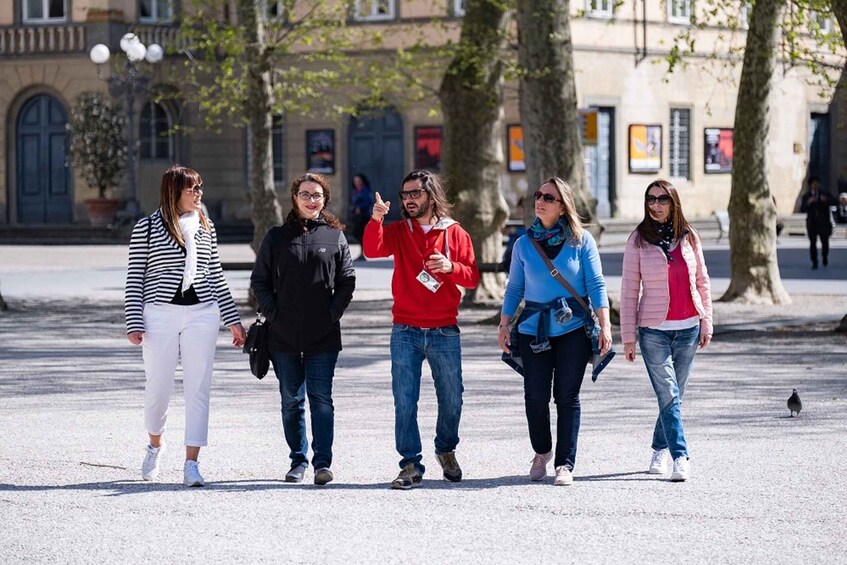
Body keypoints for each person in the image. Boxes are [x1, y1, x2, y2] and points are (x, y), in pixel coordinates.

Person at [125, 165, 246, 487]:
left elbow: (216, 275)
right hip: (159, 315)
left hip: (202, 314)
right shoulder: (147, 228)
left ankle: (191, 463)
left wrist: (232, 319)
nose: (198, 194)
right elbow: (135, 277)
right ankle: (154, 445)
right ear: (173, 191)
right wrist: (133, 321)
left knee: (198, 389)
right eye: (192, 188)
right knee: (158, 388)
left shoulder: (207, 226)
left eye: (200, 188)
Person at [363, 169, 480, 490]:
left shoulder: (456, 233)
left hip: (444, 330)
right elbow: (372, 251)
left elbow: (471, 277)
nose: (409, 200)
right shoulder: (400, 230)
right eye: (405, 195)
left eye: (415, 193)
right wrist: (375, 220)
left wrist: (451, 267)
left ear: (431, 195)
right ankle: (410, 464)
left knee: (452, 398)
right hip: (405, 329)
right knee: (404, 400)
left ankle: (446, 448)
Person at [497, 177, 612, 487]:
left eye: (549, 197)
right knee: (535, 396)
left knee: (567, 396)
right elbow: (515, 288)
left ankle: (564, 463)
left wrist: (605, 324)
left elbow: (596, 285)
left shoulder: (582, 241)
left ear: (563, 207)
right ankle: (542, 451)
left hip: (573, 329)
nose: (541, 201)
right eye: (538, 195)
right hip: (534, 328)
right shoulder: (523, 243)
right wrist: (504, 323)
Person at [251, 173, 356, 486]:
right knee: (291, 400)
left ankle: (322, 463)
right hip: (282, 336)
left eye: (318, 195)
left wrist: (332, 314)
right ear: (294, 198)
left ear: (325, 200)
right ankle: (298, 461)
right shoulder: (276, 237)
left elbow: (347, 281)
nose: (312, 200)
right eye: (306, 194)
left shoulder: (336, 237)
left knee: (321, 399)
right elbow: (260, 281)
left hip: (323, 335)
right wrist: (274, 316)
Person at [619, 179, 713, 483]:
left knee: (675, 394)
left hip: (688, 327)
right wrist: (629, 336)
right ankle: (680, 456)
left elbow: (702, 281)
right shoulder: (638, 239)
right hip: (653, 330)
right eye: (650, 199)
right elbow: (629, 291)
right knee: (668, 393)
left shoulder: (689, 237)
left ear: (673, 203)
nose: (655, 205)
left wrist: (706, 320)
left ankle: (659, 447)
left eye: (662, 200)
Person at [800, 176, 836, 269]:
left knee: (825, 242)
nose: (815, 185)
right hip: (812, 223)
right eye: (813, 183)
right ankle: (814, 262)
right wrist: (808, 202)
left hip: (824, 222)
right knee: (812, 243)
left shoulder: (825, 194)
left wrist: (826, 200)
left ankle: (824, 256)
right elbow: (802, 208)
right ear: (810, 185)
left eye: (817, 183)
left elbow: (835, 202)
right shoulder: (807, 196)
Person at [349, 173, 376, 244]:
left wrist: (360, 207)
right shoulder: (355, 191)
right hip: (356, 216)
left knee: (362, 233)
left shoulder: (366, 191)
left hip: (364, 215)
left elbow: (369, 202)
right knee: (356, 233)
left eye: (358, 181)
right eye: (355, 181)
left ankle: (364, 250)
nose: (357, 183)